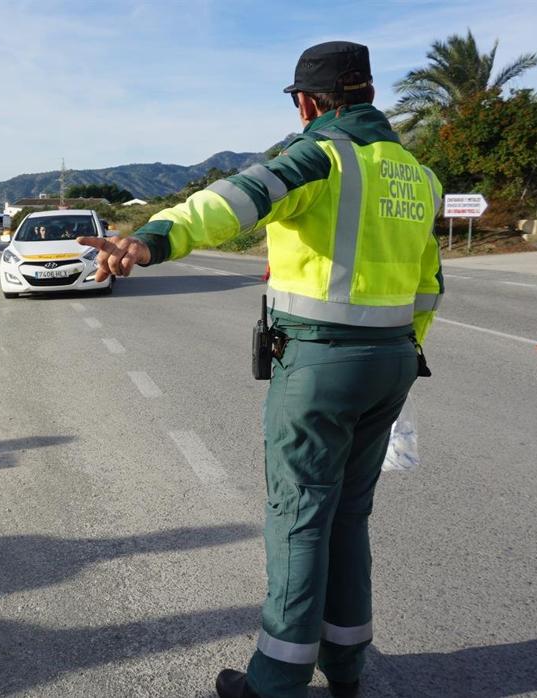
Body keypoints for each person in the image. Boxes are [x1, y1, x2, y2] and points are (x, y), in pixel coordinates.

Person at [77, 40, 443, 698]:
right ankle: (348, 667)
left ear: (308, 103)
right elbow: (429, 285)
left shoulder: (320, 156)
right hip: (392, 362)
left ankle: (276, 679)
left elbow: (233, 200)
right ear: (368, 92)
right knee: (349, 517)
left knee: (300, 516)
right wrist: (399, 353)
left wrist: (149, 239)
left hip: (320, 364)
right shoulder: (417, 174)